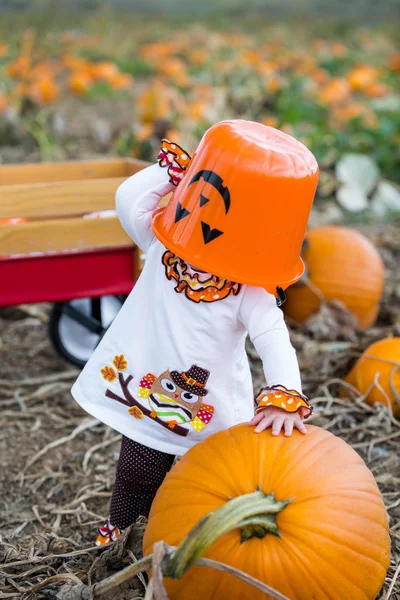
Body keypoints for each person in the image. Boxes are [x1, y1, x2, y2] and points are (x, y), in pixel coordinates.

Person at [71, 120, 319, 546]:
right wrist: (176, 175)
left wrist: (284, 396)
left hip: (214, 411)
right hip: (149, 394)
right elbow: (128, 198)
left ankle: (198, 540)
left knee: (208, 482)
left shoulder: (249, 292)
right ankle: (122, 531)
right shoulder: (162, 245)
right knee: (137, 470)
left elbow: (275, 340)